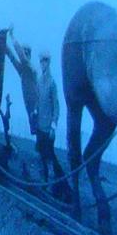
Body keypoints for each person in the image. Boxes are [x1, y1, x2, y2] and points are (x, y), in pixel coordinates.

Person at [35, 51, 66, 197]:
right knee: (42, 154)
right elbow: (38, 101)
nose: (43, 64)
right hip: (40, 126)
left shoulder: (52, 83)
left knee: (49, 156)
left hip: (48, 128)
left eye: (45, 61)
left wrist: (54, 125)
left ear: (49, 63)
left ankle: (54, 185)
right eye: (41, 61)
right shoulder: (39, 81)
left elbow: (56, 106)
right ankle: (44, 181)